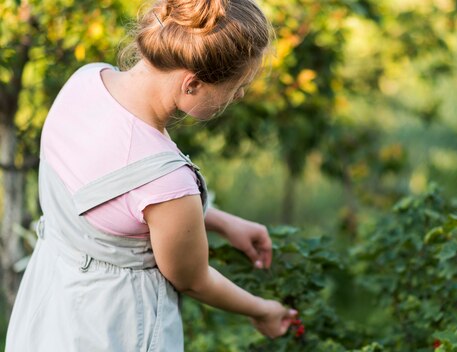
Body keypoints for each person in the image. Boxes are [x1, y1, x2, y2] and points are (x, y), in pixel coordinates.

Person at [5, 0, 297, 350]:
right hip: (114, 327)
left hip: (51, 304)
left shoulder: (85, 81)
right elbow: (193, 279)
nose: (240, 94)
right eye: (237, 85)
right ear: (192, 84)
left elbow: (121, 200)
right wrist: (262, 310)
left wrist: (219, 220)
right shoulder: (166, 178)